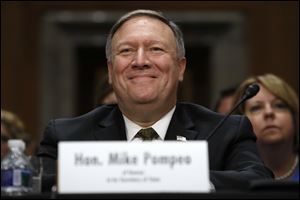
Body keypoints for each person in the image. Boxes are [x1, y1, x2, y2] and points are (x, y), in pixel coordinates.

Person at [37, 9, 273, 192]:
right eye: (127, 51)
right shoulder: (66, 136)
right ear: (110, 71)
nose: (140, 61)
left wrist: (182, 175)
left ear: (180, 68)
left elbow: (257, 181)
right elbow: (35, 185)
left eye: (156, 49)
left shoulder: (227, 131)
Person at [233, 74, 299, 182]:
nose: (269, 112)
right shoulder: (231, 178)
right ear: (239, 121)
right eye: (256, 108)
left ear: (294, 116)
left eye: (279, 105)